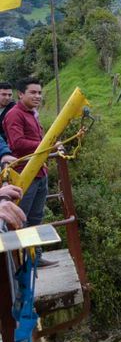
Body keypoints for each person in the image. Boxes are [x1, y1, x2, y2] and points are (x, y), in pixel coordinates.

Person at [2, 78, 55, 266]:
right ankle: (22, 263)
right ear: (21, 94)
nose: (37, 96)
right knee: (21, 217)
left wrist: (47, 147)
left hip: (40, 172)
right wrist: (47, 145)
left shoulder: (32, 114)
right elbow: (17, 143)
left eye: (39, 92)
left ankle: (35, 258)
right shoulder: (14, 115)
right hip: (24, 174)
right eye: (33, 92)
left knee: (36, 217)